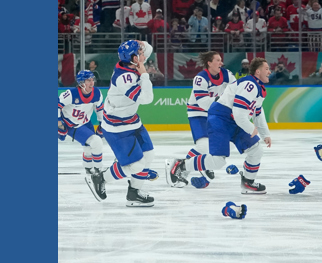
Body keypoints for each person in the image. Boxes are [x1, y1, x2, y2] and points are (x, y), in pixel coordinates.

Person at [176, 57, 272, 194]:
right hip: (220, 118)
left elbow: (257, 112)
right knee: (218, 161)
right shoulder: (249, 85)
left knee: (256, 150)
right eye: (266, 69)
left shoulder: (259, 88)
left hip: (233, 121)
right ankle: (181, 165)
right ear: (257, 71)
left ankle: (248, 183)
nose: (269, 72)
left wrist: (265, 134)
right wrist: (251, 128)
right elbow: (239, 113)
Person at [85, 40, 157, 207]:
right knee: (137, 165)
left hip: (131, 121)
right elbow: (147, 99)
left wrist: (140, 43)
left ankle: (134, 193)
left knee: (148, 155)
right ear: (134, 58)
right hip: (117, 127)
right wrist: (145, 75)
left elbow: (149, 48)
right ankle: (100, 178)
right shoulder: (124, 78)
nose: (144, 55)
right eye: (140, 53)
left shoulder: (132, 63)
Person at [165, 51, 237, 188]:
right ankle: (180, 168)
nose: (221, 63)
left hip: (216, 113)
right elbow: (203, 103)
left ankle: (198, 164)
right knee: (203, 146)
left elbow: (236, 90)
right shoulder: (200, 78)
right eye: (217, 60)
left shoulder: (227, 74)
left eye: (221, 60)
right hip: (198, 112)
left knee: (228, 143)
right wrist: (223, 101)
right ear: (209, 63)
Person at [58, 70, 105, 175]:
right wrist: (59, 123)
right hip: (72, 125)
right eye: (88, 81)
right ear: (81, 83)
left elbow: (100, 109)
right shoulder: (71, 94)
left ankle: (89, 170)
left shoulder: (97, 93)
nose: (92, 83)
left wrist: (102, 123)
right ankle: (99, 171)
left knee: (89, 147)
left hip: (86, 122)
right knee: (96, 142)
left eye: (92, 80)